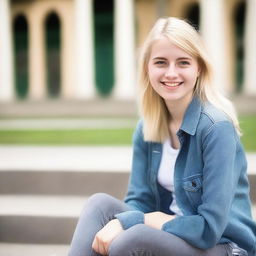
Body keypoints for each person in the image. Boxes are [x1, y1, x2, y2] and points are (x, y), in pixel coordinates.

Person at [68, 17, 256, 256]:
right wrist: (132, 219)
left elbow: (209, 229)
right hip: (174, 236)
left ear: (198, 68)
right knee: (99, 206)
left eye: (183, 63)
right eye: (160, 62)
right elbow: (139, 202)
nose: (171, 73)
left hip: (225, 246)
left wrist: (147, 220)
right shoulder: (148, 127)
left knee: (132, 239)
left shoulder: (216, 128)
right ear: (147, 67)